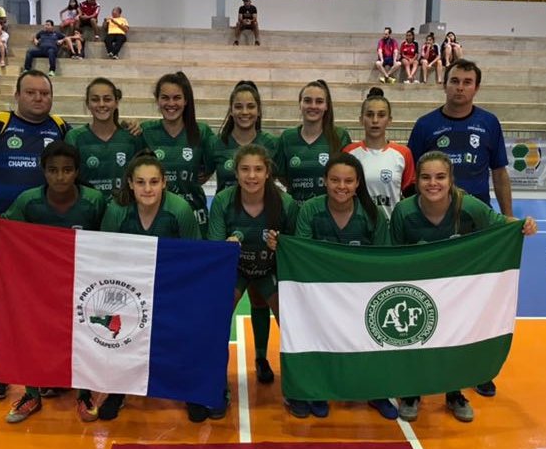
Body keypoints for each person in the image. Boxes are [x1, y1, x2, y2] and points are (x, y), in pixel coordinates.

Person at [389, 151, 537, 423]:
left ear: (451, 180)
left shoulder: (468, 206)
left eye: (440, 177)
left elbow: (501, 224)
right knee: (416, 338)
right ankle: (412, 391)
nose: (433, 183)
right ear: (417, 181)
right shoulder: (404, 212)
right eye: (426, 177)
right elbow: (392, 254)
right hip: (418, 288)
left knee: (455, 338)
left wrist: (522, 225)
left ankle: (454, 392)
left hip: (458, 290)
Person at [407, 58, 514, 399]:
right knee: (430, 296)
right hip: (433, 227)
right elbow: (411, 179)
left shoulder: (489, 123)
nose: (460, 87)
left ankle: (475, 370)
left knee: (473, 301)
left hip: (475, 228)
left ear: (476, 87)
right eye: (455, 80)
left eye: (468, 81)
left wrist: (508, 218)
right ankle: (420, 368)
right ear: (445, 84)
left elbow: (499, 173)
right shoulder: (426, 125)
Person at [0, 141, 107, 424]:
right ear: (43, 172)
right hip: (39, 287)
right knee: (31, 335)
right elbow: (9, 232)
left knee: (84, 334)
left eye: (66, 170)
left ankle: (85, 392)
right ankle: (31, 394)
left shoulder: (94, 201)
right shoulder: (29, 201)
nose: (60, 176)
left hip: (81, 283)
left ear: (76, 171)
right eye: (52, 170)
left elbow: (107, 239)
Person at [0, 70, 69, 401]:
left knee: (49, 306)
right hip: (3, 234)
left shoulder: (61, 129)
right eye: (32, 92)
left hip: (48, 238)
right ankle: (0, 372)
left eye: (44, 93)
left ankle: (49, 372)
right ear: (17, 95)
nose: (39, 98)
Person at [98, 151, 207, 422]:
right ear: (130, 184)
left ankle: (189, 390)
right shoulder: (117, 211)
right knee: (122, 335)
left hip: (172, 284)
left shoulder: (179, 210)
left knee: (181, 336)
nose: (148, 189)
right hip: (128, 284)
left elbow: (194, 254)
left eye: (154, 182)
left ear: (164, 184)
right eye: (141, 182)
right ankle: (118, 391)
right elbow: (104, 252)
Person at [288, 153, 392, 420]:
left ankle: (376, 390)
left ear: (358, 183)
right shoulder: (310, 210)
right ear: (324, 181)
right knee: (318, 339)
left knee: (370, 340)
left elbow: (384, 259)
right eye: (335, 180)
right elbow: (301, 252)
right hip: (320, 293)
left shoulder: (372, 214)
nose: (341, 186)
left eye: (348, 181)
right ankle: (318, 390)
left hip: (361, 294)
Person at [208, 144, 297, 386]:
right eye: (245, 169)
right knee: (218, 312)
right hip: (236, 269)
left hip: (268, 269)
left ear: (268, 172)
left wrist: (282, 246)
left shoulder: (285, 203)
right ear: (235, 173)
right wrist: (226, 247)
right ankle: (213, 375)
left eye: (258, 169)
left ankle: (277, 368)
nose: (251, 175)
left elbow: (296, 248)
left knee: (290, 318)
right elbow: (214, 248)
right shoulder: (223, 201)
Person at [140, 72, 216, 237]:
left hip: (194, 215)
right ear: (157, 100)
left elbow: (209, 168)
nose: (171, 103)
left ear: (186, 100)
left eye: (177, 98)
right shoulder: (144, 131)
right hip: (157, 218)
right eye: (165, 98)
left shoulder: (202, 132)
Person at [65, 77, 147, 198]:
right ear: (87, 103)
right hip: (89, 210)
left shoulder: (132, 136)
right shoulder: (74, 137)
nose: (102, 104)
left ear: (116, 102)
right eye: (95, 100)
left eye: (107, 99)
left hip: (123, 210)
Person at [275, 79, 351, 204]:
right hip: (297, 212)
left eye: (319, 101)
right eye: (307, 100)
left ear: (326, 106)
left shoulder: (340, 136)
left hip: (330, 213)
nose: (313, 106)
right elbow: (281, 176)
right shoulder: (287, 138)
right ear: (300, 104)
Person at [344, 88, 415, 218]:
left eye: (381, 115)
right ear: (361, 119)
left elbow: (410, 195)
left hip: (390, 228)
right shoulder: (349, 153)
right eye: (369, 115)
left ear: (389, 120)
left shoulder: (403, 154)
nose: (375, 120)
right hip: (358, 227)